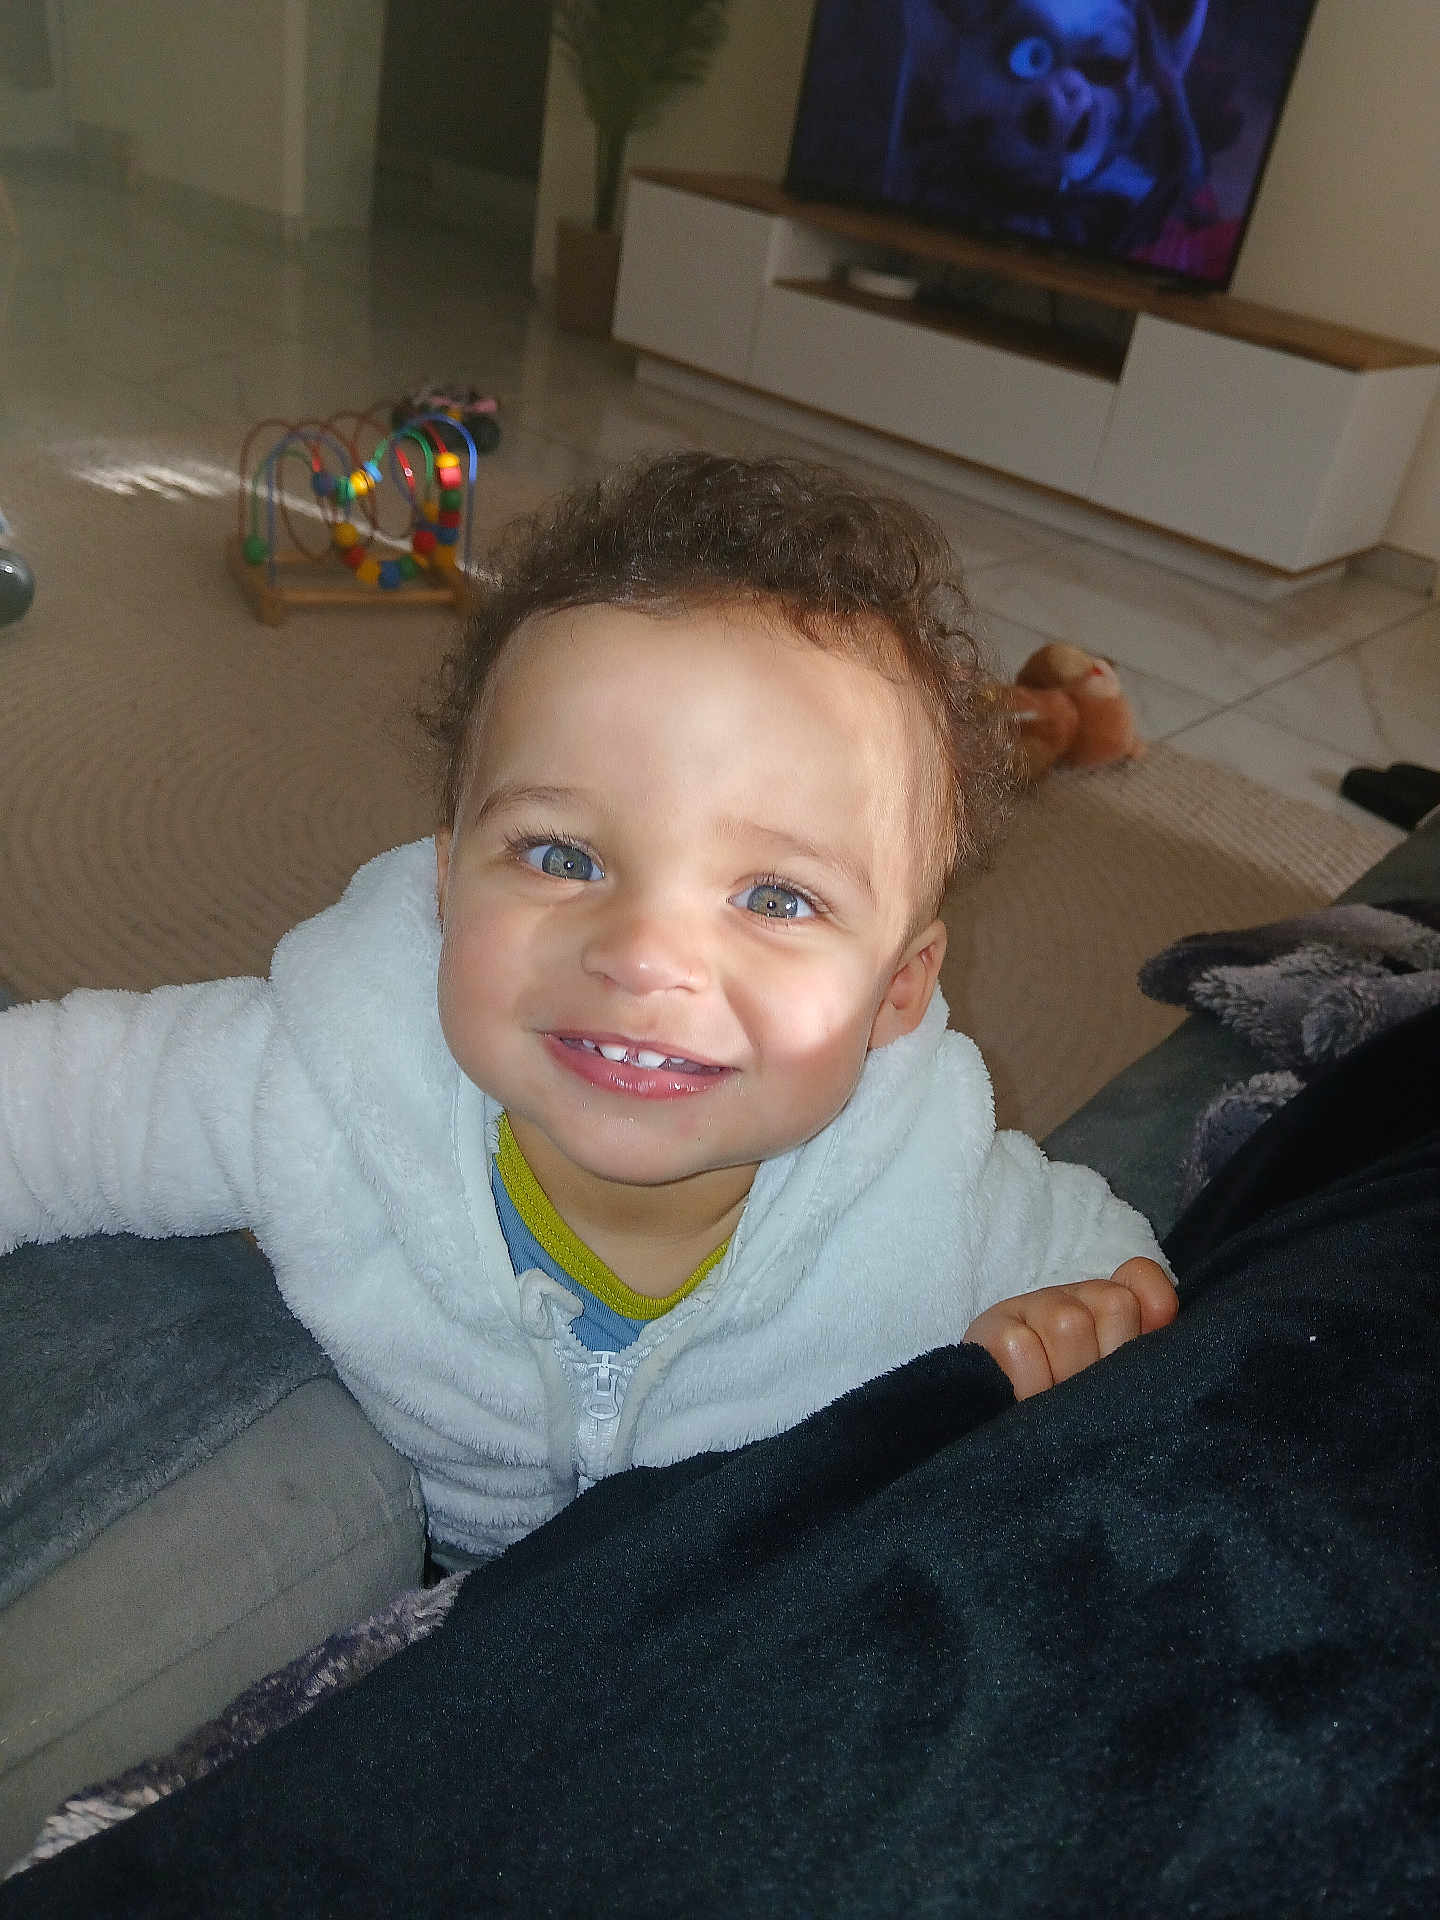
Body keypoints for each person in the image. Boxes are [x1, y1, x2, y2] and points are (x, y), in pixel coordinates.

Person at [0, 452, 1173, 1568]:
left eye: (775, 897)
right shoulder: (318, 1078)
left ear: (898, 991)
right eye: (561, 856)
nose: (644, 955)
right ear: (447, 883)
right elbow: (51, 1102)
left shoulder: (937, 1191)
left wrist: (1078, 1316)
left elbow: (1118, 1276)